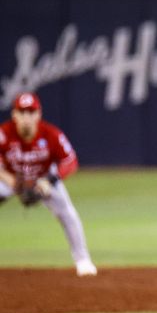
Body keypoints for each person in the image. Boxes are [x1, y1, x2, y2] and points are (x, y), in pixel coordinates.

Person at [0, 92, 97, 277]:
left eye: (31, 112)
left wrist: (50, 180)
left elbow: (71, 161)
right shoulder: (4, 134)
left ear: (39, 114)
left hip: (43, 180)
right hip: (11, 179)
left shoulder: (51, 135)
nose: (26, 117)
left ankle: (83, 261)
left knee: (67, 212)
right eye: (22, 112)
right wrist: (9, 179)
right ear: (14, 115)